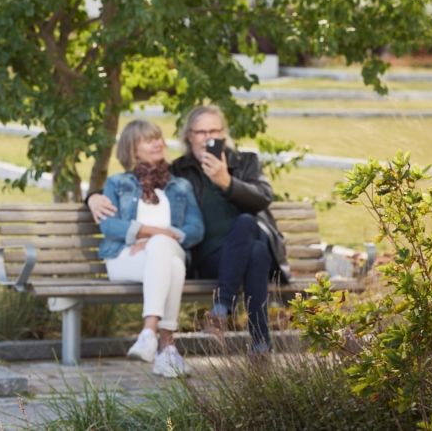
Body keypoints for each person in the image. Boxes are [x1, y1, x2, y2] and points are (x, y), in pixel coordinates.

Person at [87, 105, 287, 356]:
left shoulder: (245, 162)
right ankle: (260, 343)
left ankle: (223, 310)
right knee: (256, 252)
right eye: (201, 132)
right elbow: (135, 180)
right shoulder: (179, 172)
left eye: (214, 130)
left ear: (224, 133)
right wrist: (92, 198)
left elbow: (263, 197)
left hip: (243, 246)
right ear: (188, 136)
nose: (208, 137)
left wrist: (226, 181)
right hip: (210, 258)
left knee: (249, 230)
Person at [97, 119, 203, 377]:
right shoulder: (117, 183)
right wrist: (153, 233)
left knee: (165, 252)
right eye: (148, 140)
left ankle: (148, 333)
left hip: (167, 250)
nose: (157, 143)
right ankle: (166, 347)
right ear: (133, 149)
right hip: (125, 258)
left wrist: (160, 240)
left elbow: (196, 228)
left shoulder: (180, 186)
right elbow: (109, 225)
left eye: (158, 137)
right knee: (173, 264)